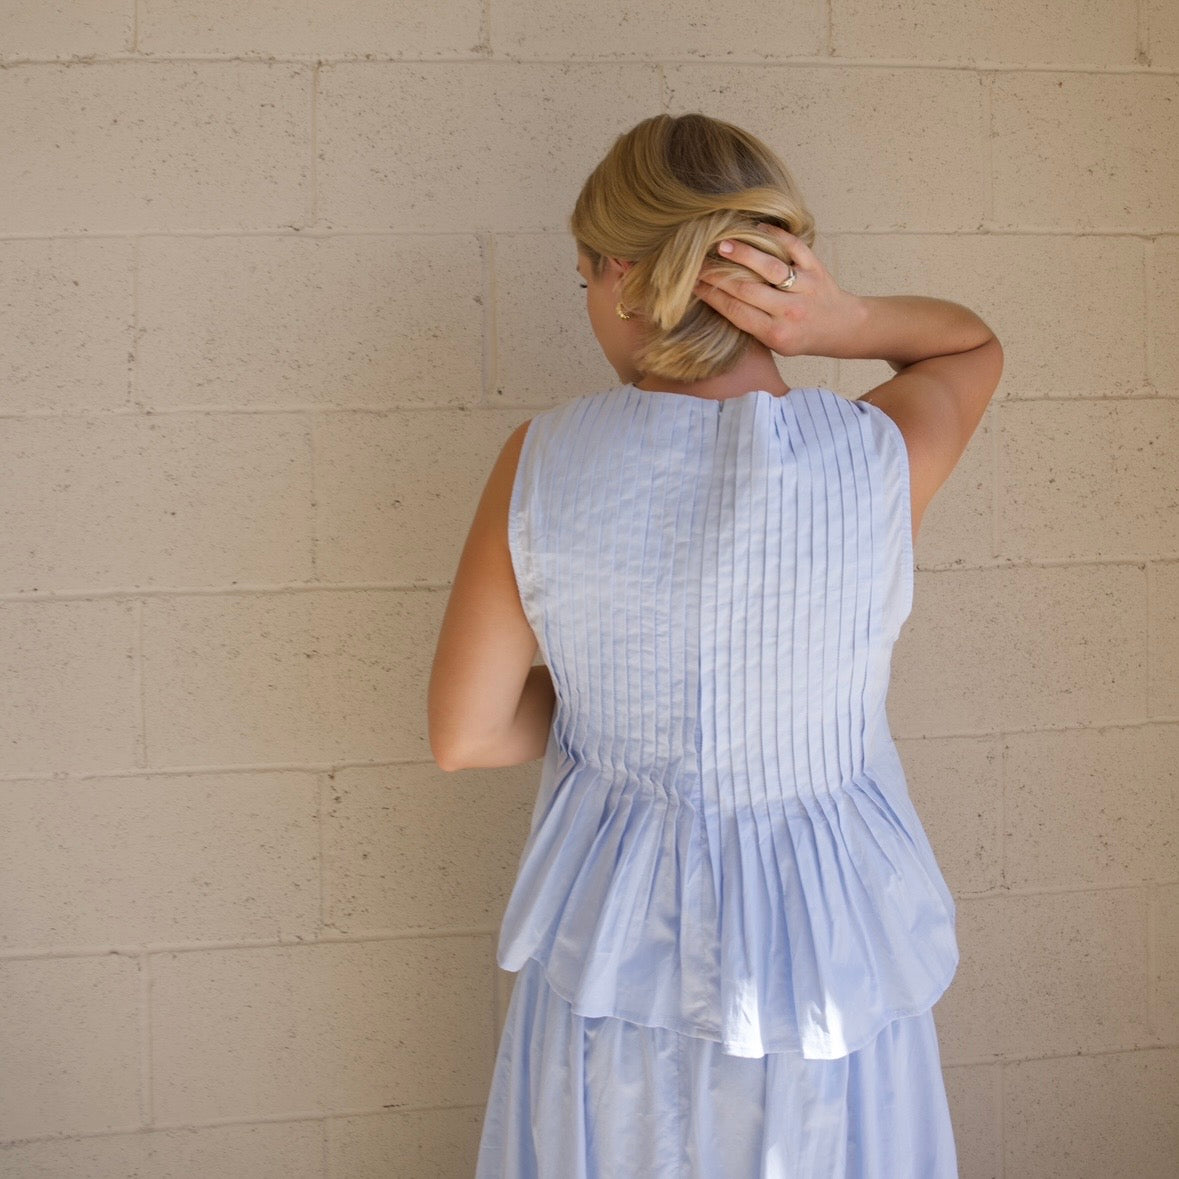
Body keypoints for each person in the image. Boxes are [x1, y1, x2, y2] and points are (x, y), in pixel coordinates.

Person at [427, 112, 1002, 1177]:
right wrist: (841, 321)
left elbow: (467, 734)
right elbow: (971, 345)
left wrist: (607, 698)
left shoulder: (542, 463)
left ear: (616, 273)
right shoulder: (869, 461)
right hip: (830, 958)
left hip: (620, 959)